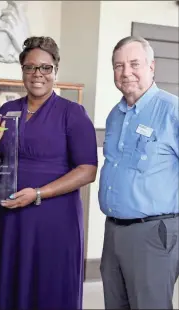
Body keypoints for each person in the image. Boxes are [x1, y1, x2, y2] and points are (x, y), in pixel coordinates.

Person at [0, 36, 98, 309]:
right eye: (31, 67)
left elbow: (88, 170)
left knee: (49, 286)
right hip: (10, 219)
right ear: (22, 71)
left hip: (53, 219)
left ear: (56, 70)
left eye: (45, 67)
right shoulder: (6, 111)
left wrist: (39, 193)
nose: (38, 74)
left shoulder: (73, 113)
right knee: (6, 285)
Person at [98, 35, 179, 309]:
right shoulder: (115, 115)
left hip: (154, 232)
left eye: (134, 64)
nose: (126, 72)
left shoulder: (172, 110)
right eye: (118, 66)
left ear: (151, 67)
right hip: (113, 231)